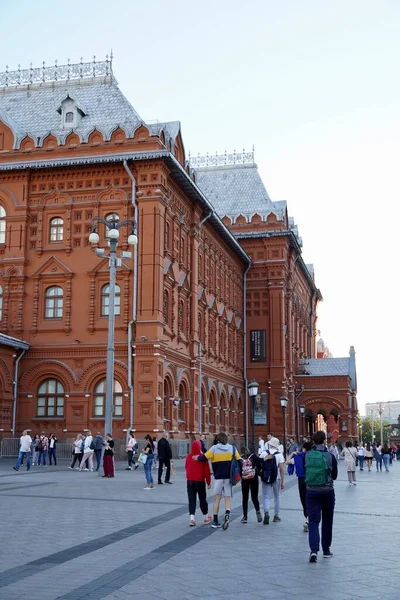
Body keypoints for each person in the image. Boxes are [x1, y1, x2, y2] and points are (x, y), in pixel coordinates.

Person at [194, 431, 241, 530]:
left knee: (217, 499)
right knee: (227, 498)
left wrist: (196, 457)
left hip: (218, 477)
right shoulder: (232, 448)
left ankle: (215, 520)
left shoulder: (214, 448)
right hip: (228, 477)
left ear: (218, 439)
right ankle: (227, 513)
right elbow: (239, 460)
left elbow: (204, 457)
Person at [306, 430, 338, 563]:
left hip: (311, 492)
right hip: (327, 492)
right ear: (324, 440)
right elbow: (335, 476)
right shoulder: (330, 456)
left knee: (313, 521)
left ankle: (314, 550)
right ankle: (326, 550)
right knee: (327, 520)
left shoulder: (307, 455)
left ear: (313, 441)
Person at [286, 441, 313, 532]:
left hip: (301, 480)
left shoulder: (298, 457)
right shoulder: (312, 456)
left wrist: (292, 453)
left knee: (304, 500)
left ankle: (307, 519)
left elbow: (287, 462)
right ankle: (309, 520)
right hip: (311, 479)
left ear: (304, 448)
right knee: (311, 500)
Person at [185, 439, 212, 526]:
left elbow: (186, 467)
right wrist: (208, 482)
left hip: (190, 481)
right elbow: (207, 471)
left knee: (191, 499)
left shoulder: (188, 457)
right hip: (199, 481)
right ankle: (206, 516)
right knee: (202, 499)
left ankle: (192, 519)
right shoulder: (202, 457)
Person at [260, 437, 285, 524]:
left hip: (266, 477)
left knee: (266, 496)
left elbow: (259, 464)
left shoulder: (264, 453)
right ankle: (276, 516)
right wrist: (282, 481)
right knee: (277, 497)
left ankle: (266, 512)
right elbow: (281, 469)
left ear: (270, 444)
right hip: (276, 478)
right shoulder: (279, 455)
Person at [240, 446, 262, 524]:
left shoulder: (240, 459)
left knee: (245, 499)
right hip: (254, 479)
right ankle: (258, 511)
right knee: (255, 498)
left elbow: (239, 471)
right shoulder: (253, 456)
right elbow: (260, 464)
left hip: (245, 480)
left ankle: (245, 517)